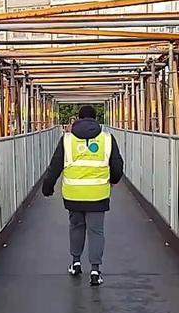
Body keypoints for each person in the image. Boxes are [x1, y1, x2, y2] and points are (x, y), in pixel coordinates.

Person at [42, 105, 124, 286]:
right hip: (98, 194)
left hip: (73, 194)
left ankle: (75, 263)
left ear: (78, 119)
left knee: (76, 226)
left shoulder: (67, 140)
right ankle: (95, 271)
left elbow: (55, 166)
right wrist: (115, 180)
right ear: (95, 119)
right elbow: (117, 165)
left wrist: (48, 187)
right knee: (97, 231)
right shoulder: (108, 139)